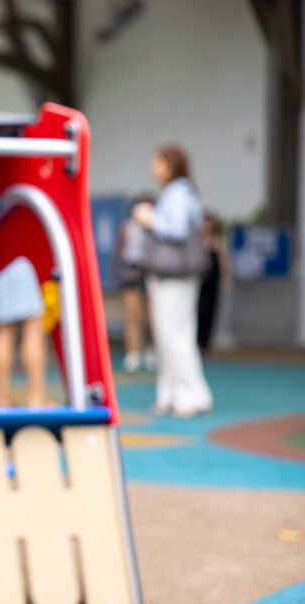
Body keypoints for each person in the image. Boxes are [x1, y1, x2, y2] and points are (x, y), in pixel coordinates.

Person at [134, 145, 213, 417]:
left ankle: (185, 396)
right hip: (178, 276)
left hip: (173, 276)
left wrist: (150, 219)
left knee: (173, 335)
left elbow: (176, 230)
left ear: (171, 166)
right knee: (178, 334)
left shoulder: (177, 193)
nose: (153, 168)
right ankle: (180, 394)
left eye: (158, 163)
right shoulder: (183, 191)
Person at [0, 256, 50, 406]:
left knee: (3, 330)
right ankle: (36, 396)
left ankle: (1, 398)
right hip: (20, 261)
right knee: (33, 326)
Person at [115, 194, 155, 373]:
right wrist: (121, 273)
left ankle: (151, 350)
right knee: (132, 316)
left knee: (151, 317)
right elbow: (121, 252)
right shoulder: (127, 227)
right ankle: (132, 353)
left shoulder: (157, 226)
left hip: (151, 273)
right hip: (131, 273)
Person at [196, 211, 232, 351]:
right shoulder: (196, 239)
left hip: (212, 279)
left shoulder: (218, 240)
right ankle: (195, 339)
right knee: (198, 309)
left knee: (211, 309)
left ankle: (205, 341)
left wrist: (225, 277)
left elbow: (224, 260)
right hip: (198, 279)